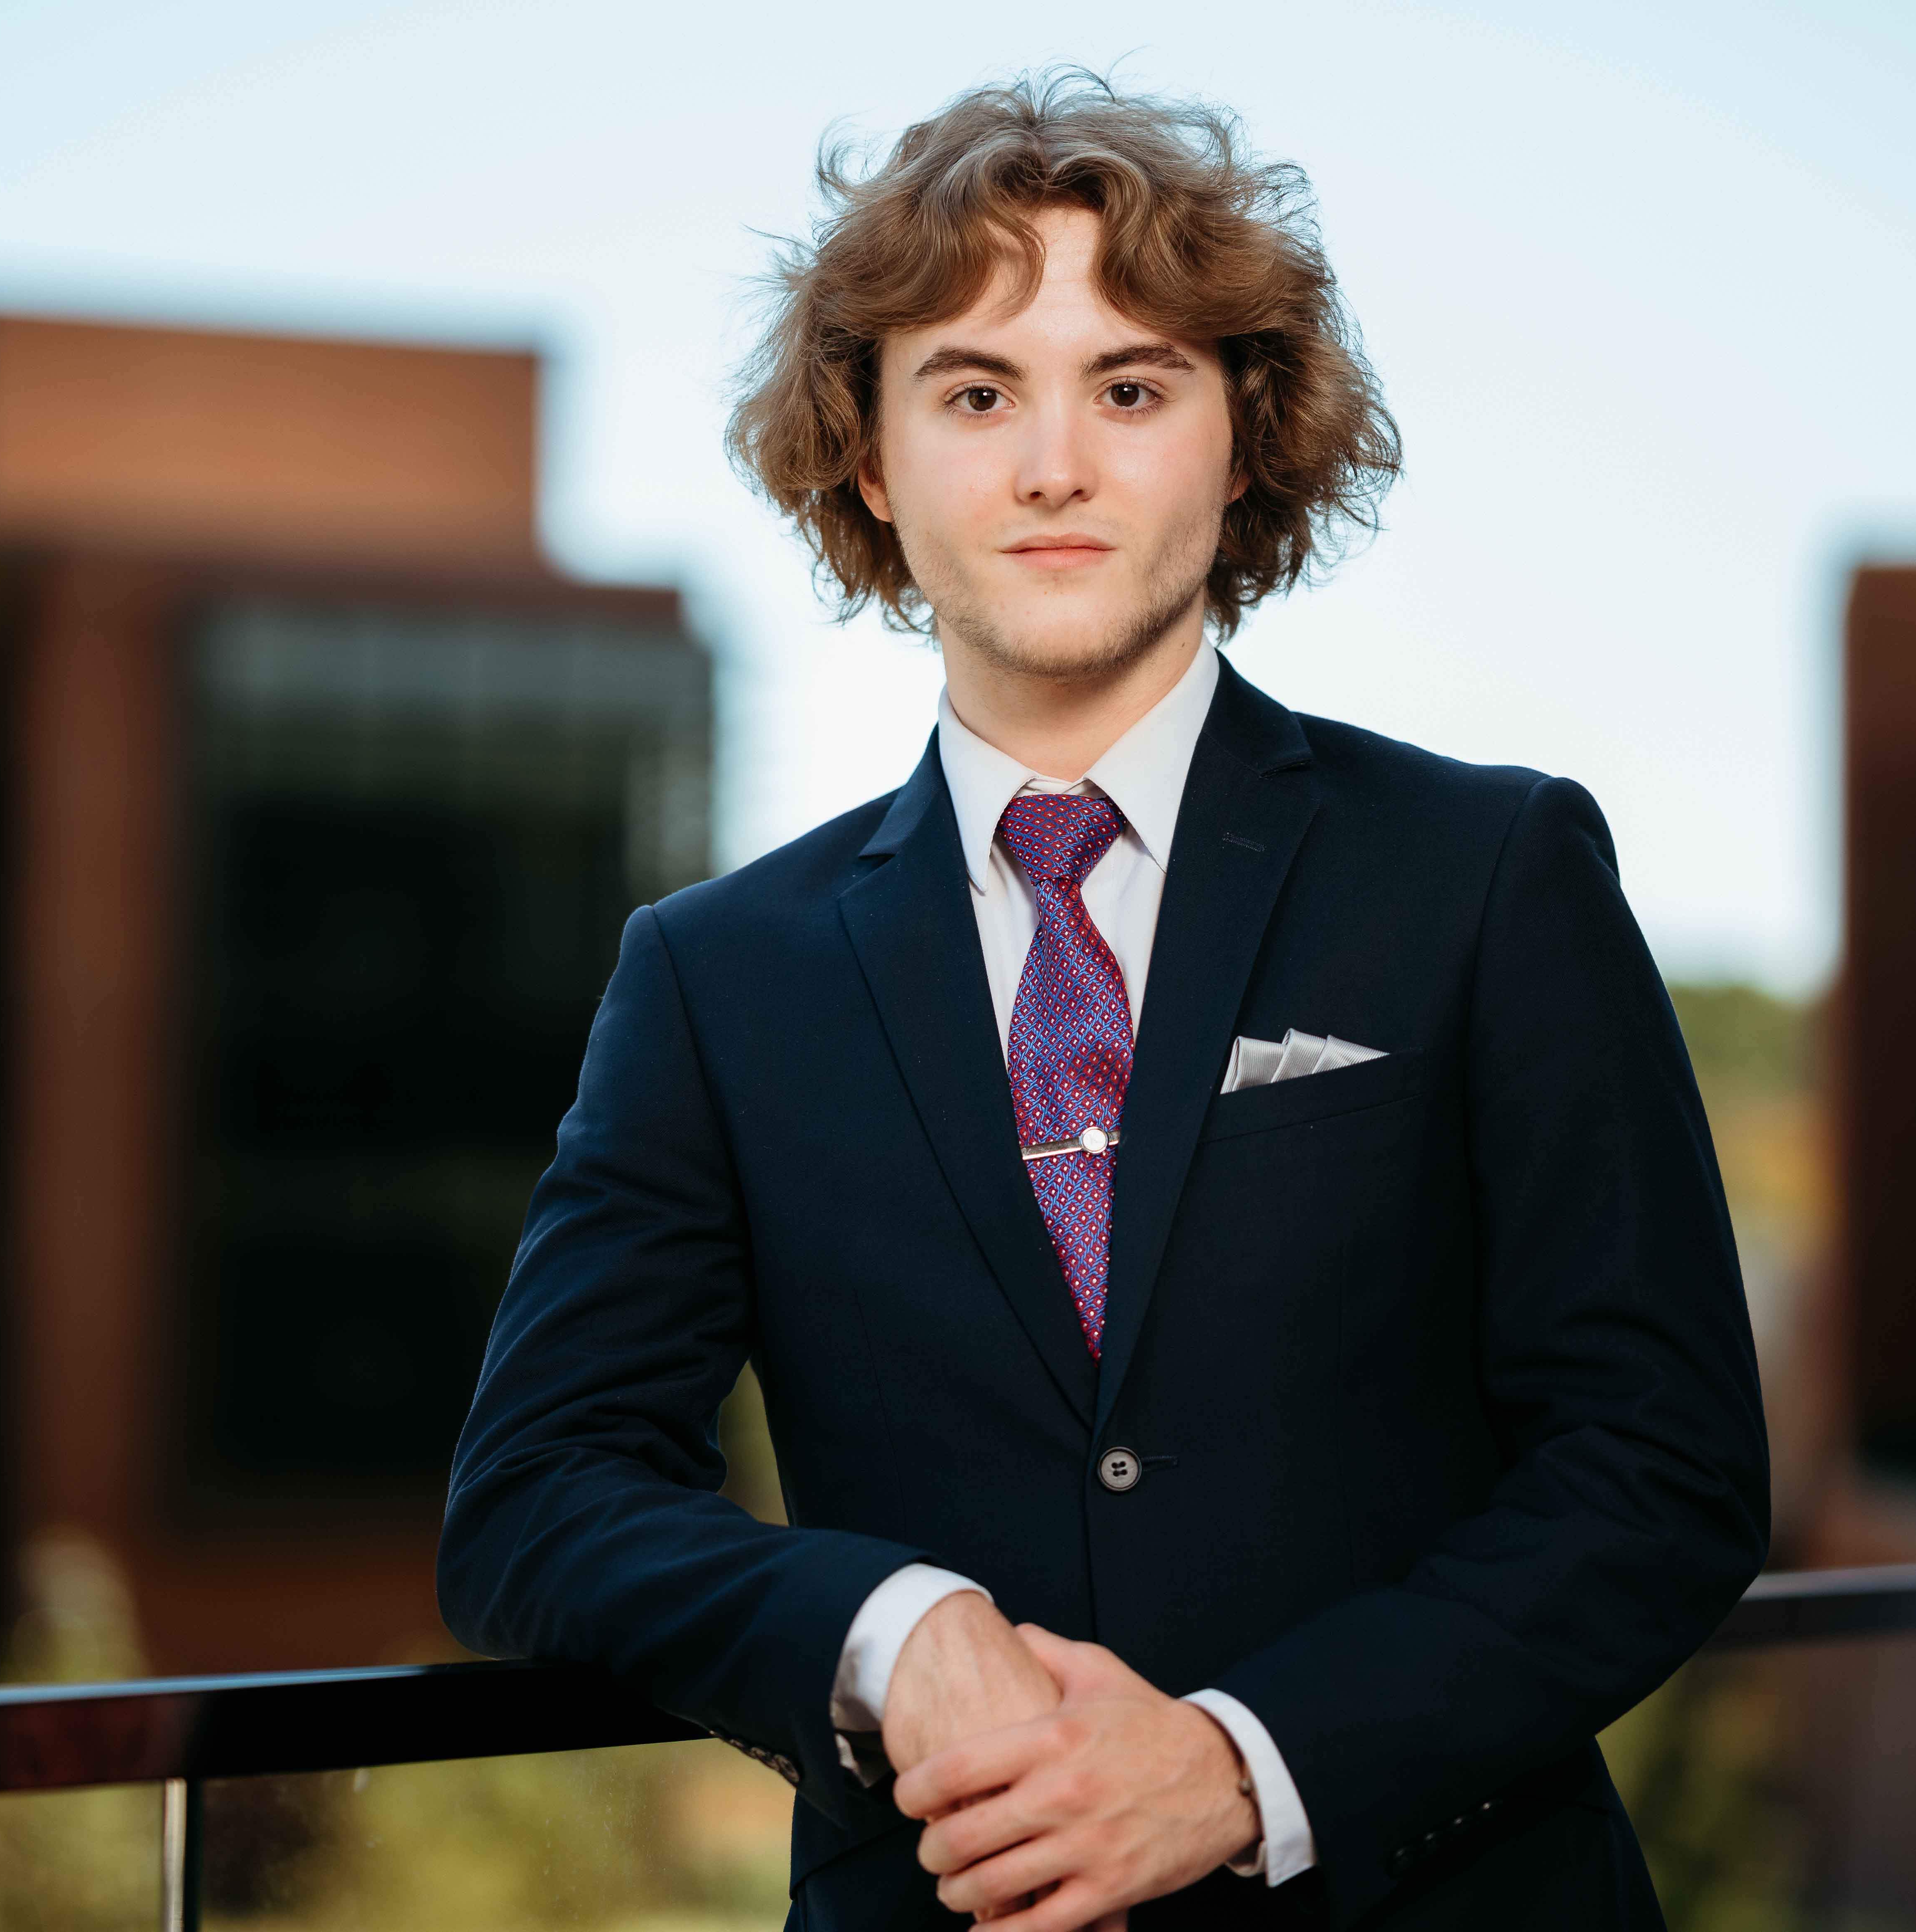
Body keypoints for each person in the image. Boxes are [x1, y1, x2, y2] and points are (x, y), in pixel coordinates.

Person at [439, 71, 1767, 1931]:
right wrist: (891, 1631)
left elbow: (1664, 1469)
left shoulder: (1488, 873)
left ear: (1243, 444)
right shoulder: (714, 974)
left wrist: (1241, 1760)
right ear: (875, 463)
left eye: (1131, 387)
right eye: (977, 391)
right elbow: (535, 1498)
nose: (1053, 460)